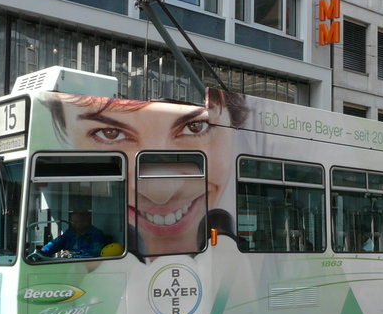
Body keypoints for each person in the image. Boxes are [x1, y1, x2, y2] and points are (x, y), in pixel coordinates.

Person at [47, 87, 247, 258]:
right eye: (110, 133)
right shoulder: (71, 235)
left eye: (194, 127)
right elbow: (54, 247)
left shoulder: (94, 235)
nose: (160, 194)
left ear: (234, 127)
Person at [38, 210, 107, 258]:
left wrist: (74, 254)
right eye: (72, 222)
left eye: (76, 222)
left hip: (86, 266)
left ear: (86, 222)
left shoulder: (96, 234)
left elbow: (96, 252)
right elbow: (56, 243)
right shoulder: (70, 233)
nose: (72, 224)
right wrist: (42, 251)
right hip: (68, 265)